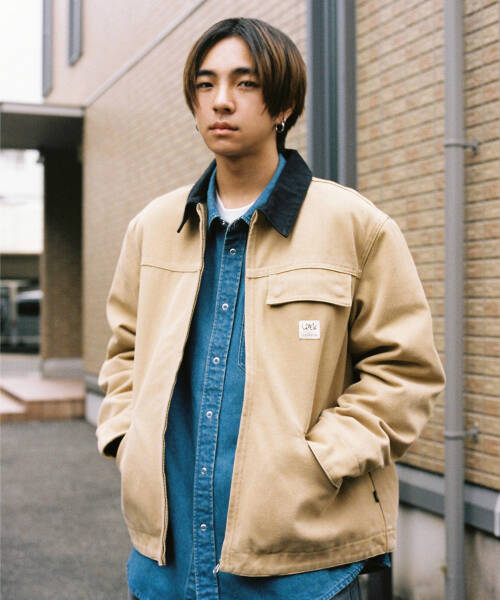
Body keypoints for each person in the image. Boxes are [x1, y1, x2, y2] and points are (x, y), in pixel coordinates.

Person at [97, 17, 445, 600]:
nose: (221, 101)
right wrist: (126, 439)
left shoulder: (355, 226)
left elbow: (404, 373)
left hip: (303, 568)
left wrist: (316, 461)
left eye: (246, 83)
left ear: (284, 105)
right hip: (166, 566)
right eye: (205, 84)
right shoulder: (153, 229)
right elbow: (123, 353)